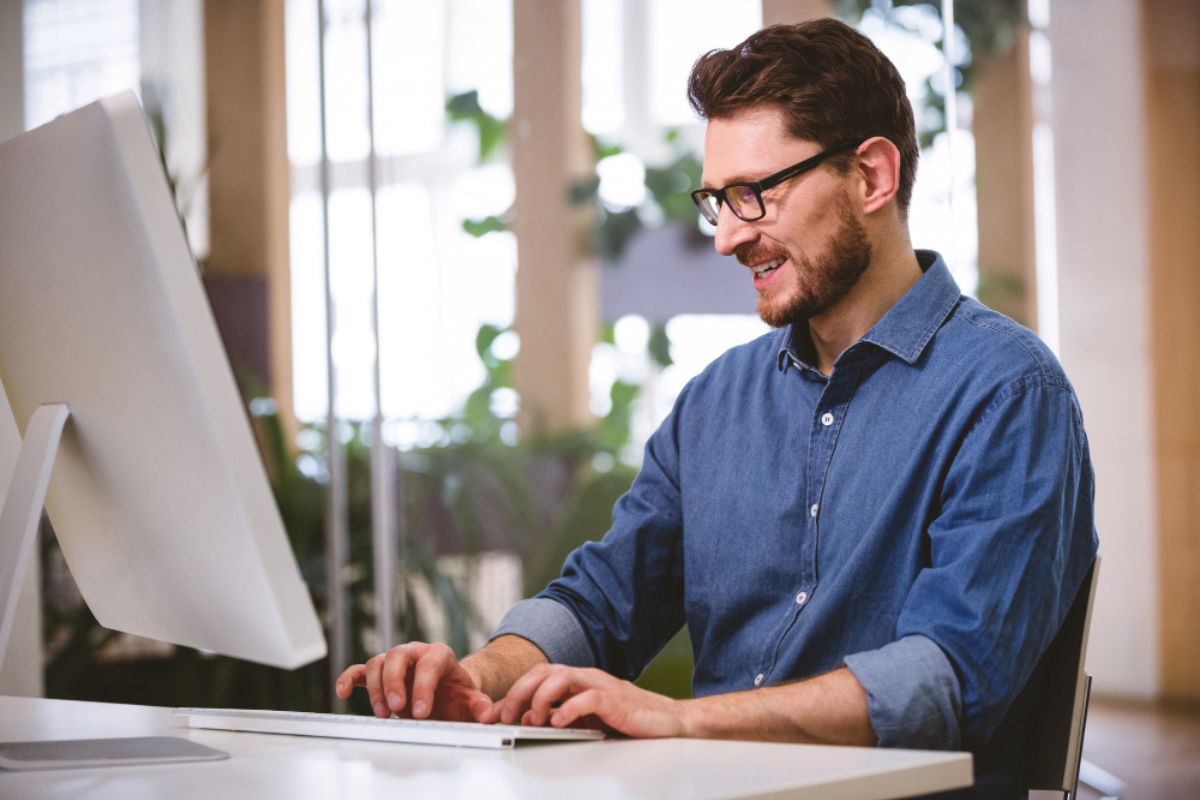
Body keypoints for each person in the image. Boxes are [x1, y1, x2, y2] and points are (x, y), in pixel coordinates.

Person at [337, 18, 1098, 799]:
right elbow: (600, 604)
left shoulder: (1008, 393)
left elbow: (946, 679)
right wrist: (476, 676)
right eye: (717, 200)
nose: (728, 237)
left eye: (755, 195)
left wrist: (682, 721)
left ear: (871, 176)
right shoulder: (715, 403)